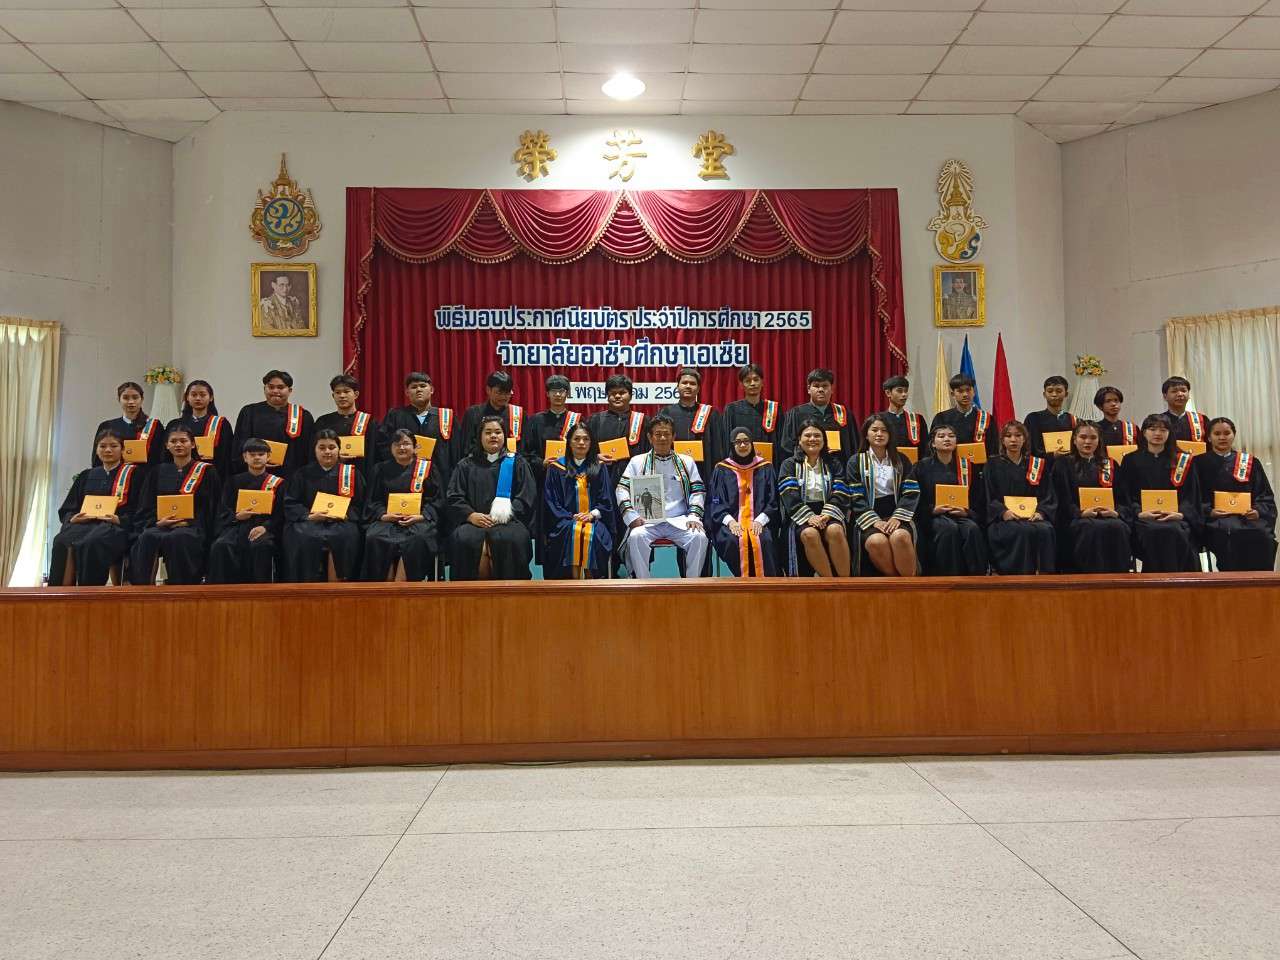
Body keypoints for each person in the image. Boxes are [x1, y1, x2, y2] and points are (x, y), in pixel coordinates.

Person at [616, 413, 708, 579]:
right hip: (648, 521)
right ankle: (643, 585)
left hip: (680, 520)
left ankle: (692, 585)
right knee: (636, 536)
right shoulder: (637, 461)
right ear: (650, 437)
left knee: (699, 537)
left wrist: (694, 516)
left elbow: (697, 490)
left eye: (667, 434)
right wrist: (632, 517)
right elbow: (622, 489)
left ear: (673, 436)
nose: (663, 438)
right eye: (658, 434)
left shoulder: (686, 461)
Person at [129, 424, 221, 585]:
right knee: (146, 537)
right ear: (167, 445)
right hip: (160, 524)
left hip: (192, 527)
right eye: (173, 441)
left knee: (179, 537)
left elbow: (211, 507)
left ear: (193, 444)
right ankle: (144, 589)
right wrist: (157, 522)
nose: (178, 445)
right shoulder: (157, 471)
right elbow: (146, 504)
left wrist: (190, 522)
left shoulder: (207, 471)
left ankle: (180, 588)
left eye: (183, 441)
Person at [447, 415, 536, 581]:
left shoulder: (517, 463)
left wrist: (503, 515)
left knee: (512, 540)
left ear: (505, 436)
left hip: (508, 522)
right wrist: (471, 515)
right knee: (464, 539)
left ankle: (509, 594)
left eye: (498, 432)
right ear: (480, 437)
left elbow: (526, 496)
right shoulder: (466, 465)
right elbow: (454, 496)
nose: (493, 436)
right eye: (488, 432)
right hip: (473, 522)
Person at [49, 430, 140, 586]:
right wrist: (73, 517)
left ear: (123, 449)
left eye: (113, 446)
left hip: (115, 527)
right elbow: (69, 507)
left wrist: (120, 519)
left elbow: (140, 508)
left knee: (93, 542)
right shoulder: (87, 475)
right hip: (85, 524)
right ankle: (60, 592)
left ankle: (89, 592)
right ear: (96, 450)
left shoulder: (135, 475)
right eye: (102, 446)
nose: (108, 450)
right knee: (61, 540)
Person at [1117, 414, 1201, 572]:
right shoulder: (1131, 460)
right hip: (1143, 518)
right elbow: (1125, 495)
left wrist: (1181, 513)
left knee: (1176, 530)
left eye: (1163, 430)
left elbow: (1191, 495)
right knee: (1154, 531)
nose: (1157, 433)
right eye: (1152, 429)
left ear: (1170, 433)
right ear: (1144, 432)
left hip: (1176, 517)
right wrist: (1138, 512)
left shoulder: (1182, 461)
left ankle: (1179, 580)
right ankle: (1153, 580)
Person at [282, 429, 366, 582]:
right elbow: (291, 502)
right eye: (322, 447)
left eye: (332, 447)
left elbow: (361, 503)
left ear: (339, 449)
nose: (327, 451)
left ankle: (339, 584)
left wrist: (347, 514)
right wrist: (309, 515)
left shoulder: (351, 474)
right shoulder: (302, 474)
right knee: (302, 536)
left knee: (345, 536)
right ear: (314, 450)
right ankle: (306, 585)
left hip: (342, 521)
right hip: (311, 520)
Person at [586, 374, 649, 576]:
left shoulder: (643, 421)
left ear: (630, 395)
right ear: (607, 396)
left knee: (636, 532)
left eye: (622, 393)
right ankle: (606, 575)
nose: (617, 397)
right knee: (606, 532)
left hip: (635, 488)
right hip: (605, 486)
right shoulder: (595, 421)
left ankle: (638, 575)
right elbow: (582, 451)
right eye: (613, 393)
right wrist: (595, 456)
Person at [361, 428, 441, 582]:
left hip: (418, 520)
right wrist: (383, 515)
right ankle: (383, 588)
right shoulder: (380, 469)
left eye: (406, 443)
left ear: (415, 447)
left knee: (418, 538)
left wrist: (421, 516)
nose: (402, 448)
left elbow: (437, 500)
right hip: (388, 521)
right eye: (397, 444)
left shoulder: (427, 469)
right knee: (374, 537)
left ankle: (402, 587)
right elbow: (373, 500)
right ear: (391, 448)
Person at [1198, 417, 1276, 571]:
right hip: (1215, 519)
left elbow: (1264, 495)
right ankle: (1232, 582)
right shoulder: (1198, 463)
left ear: (1234, 435)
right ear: (1209, 437)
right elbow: (1191, 496)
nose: (1222, 437)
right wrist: (1208, 511)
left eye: (1227, 433)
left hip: (1247, 517)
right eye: (1217, 434)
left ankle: (1260, 581)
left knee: (1263, 534)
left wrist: (1257, 511)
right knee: (1230, 533)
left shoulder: (1250, 462)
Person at [1052, 421, 1131, 574]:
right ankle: (1086, 578)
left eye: (1093, 438)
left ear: (1099, 440)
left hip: (1108, 516)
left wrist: (1116, 512)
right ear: (1074, 439)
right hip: (1076, 518)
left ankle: (1117, 578)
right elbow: (1061, 498)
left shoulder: (1110, 464)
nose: (1088, 441)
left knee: (1119, 527)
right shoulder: (1063, 464)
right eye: (1083, 437)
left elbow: (1122, 498)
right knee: (1090, 528)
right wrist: (1080, 513)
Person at [910, 424, 988, 576]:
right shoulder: (920, 467)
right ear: (933, 443)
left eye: (951, 436)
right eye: (941, 436)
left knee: (972, 529)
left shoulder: (968, 467)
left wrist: (967, 512)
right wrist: (932, 510)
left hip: (961, 515)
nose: (947, 439)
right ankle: (948, 578)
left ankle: (976, 578)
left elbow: (978, 498)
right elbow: (914, 498)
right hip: (933, 516)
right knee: (948, 529)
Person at [777, 418, 852, 577]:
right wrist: (810, 517)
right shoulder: (789, 464)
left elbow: (841, 490)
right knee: (809, 534)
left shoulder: (833, 463)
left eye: (817, 436)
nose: (812, 439)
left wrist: (827, 515)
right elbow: (788, 494)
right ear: (799, 440)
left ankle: (846, 582)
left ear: (824, 440)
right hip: (799, 515)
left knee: (835, 530)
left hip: (829, 512)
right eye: (808, 435)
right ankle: (830, 583)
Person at [542, 421, 617, 580]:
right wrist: (572, 518)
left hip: (595, 520)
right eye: (576, 439)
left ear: (591, 443)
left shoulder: (599, 467)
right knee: (573, 531)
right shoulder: (556, 468)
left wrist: (592, 515)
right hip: (564, 521)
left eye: (586, 439)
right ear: (569, 442)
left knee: (593, 534)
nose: (581, 443)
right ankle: (571, 586)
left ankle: (592, 586)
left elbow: (606, 501)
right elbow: (551, 502)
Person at [847, 415, 919, 577]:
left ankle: (911, 585)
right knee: (876, 541)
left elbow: (911, 491)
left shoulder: (901, 460)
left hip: (897, 513)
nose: (879, 434)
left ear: (890, 435)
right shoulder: (856, 461)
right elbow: (855, 495)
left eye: (884, 430)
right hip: (868, 514)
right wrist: (874, 520)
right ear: (866, 434)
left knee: (900, 536)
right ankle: (897, 584)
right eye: (874, 430)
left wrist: (897, 517)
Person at [206, 438, 286, 584]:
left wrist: (266, 527)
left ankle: (259, 591)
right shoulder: (233, 481)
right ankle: (223, 592)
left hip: (264, 528)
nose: (257, 458)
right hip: (236, 527)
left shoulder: (279, 484)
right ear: (245, 457)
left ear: (268, 456)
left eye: (261, 454)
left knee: (262, 546)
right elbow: (223, 509)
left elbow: (281, 514)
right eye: (252, 454)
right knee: (221, 545)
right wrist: (237, 516)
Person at [522, 375, 581, 570]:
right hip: (545, 484)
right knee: (547, 529)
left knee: (572, 524)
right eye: (554, 391)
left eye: (562, 391)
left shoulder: (577, 421)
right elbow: (526, 454)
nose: (558, 395)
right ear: (547, 394)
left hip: (572, 484)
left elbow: (585, 449)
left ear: (567, 394)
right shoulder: (536, 421)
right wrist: (542, 463)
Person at [983, 420, 1056, 575]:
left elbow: (1048, 494)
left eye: (1018, 435)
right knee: (1021, 531)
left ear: (1025, 439)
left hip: (1032, 517)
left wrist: (1041, 512)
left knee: (1046, 529)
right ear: (1002, 440)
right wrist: (1003, 512)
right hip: (1004, 519)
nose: (1013, 440)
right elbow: (988, 495)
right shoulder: (992, 464)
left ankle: (1045, 577)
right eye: (1008, 436)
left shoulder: (1037, 464)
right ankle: (1018, 577)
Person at [708, 426, 780, 577]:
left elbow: (773, 500)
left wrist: (760, 521)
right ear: (732, 445)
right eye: (738, 442)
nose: (742, 445)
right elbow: (716, 501)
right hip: (731, 522)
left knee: (765, 540)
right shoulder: (722, 469)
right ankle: (742, 584)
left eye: (746, 441)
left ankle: (765, 587)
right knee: (733, 541)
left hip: (760, 521)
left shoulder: (765, 467)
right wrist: (730, 522)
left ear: (752, 443)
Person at [378, 371, 458, 487]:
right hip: (403, 480)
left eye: (423, 386)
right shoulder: (395, 416)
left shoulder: (446, 417)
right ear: (407, 392)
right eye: (414, 387)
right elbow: (383, 445)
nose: (419, 390)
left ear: (431, 390)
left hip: (440, 481)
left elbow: (456, 451)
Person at [232, 369, 314, 479]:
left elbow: (308, 451)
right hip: (256, 474)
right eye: (271, 387)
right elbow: (239, 444)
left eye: (280, 387)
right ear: (264, 389)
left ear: (289, 390)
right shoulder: (249, 412)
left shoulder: (303, 416)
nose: (275, 391)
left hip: (291, 476)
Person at [313, 374, 379, 484]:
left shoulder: (369, 422)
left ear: (356, 394)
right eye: (338, 392)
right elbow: (314, 453)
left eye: (346, 391)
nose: (342, 396)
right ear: (333, 395)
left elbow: (375, 454)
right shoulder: (323, 422)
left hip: (361, 478)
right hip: (329, 479)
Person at [780, 368, 856, 461]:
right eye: (816, 386)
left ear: (832, 389)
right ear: (809, 389)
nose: (821, 390)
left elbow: (854, 445)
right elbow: (787, 447)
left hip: (838, 466)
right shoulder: (796, 414)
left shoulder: (843, 413)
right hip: (806, 466)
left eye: (825, 386)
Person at [166, 379, 234, 480]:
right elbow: (166, 454)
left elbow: (226, 455)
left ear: (211, 398)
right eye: (193, 395)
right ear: (187, 398)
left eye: (202, 395)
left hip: (211, 475)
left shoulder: (221, 424)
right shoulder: (175, 424)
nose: (198, 398)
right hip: (180, 475)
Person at [659, 367, 723, 470]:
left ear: (698, 388)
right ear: (677, 386)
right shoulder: (666, 413)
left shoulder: (711, 413)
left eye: (692, 384)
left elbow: (718, 447)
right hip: (673, 469)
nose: (688, 386)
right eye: (684, 383)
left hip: (703, 470)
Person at [91, 381, 165, 469]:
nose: (131, 401)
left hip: (147, 474)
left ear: (142, 399)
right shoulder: (107, 426)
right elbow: (98, 459)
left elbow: (161, 456)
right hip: (116, 475)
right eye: (125, 398)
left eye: (135, 397)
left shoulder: (155, 426)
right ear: (119, 399)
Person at [929, 373, 998, 464]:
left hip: (980, 469)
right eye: (960, 391)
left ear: (974, 392)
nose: (965, 394)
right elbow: (932, 448)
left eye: (968, 390)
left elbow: (993, 450)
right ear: (953, 394)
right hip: (949, 468)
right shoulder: (941, 418)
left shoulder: (987, 419)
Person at [459, 370, 524, 463]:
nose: (503, 397)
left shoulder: (517, 415)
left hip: (509, 466)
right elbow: (466, 447)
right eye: (499, 393)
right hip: (479, 465)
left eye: (507, 393)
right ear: (488, 390)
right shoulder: (473, 413)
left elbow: (524, 449)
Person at [721, 363, 781, 452]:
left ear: (762, 382)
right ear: (741, 385)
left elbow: (781, 440)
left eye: (756, 379)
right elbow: (726, 441)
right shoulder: (731, 409)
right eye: (748, 381)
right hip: (739, 459)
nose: (753, 384)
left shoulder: (773, 409)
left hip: (767, 459)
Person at [1024, 375, 1077, 458]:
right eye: (1050, 391)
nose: (1054, 394)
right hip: (1042, 464)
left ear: (1066, 394)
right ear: (1044, 394)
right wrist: (1052, 455)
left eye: (1059, 391)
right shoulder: (1033, 419)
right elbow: (1028, 448)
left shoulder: (1072, 420)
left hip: (1068, 464)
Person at [878, 375, 928, 462]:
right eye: (899, 391)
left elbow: (925, 448)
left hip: (913, 466)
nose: (904, 394)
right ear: (888, 393)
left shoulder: (917, 419)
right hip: (886, 465)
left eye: (906, 391)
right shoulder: (879, 419)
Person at [1159, 376, 1210, 448]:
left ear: (1189, 395)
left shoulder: (1201, 419)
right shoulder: (1158, 421)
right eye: (1174, 391)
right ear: (1165, 396)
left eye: (1183, 390)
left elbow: (1210, 446)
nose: (1180, 394)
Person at [1093, 385, 1139, 451]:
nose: (1113, 404)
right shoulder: (1095, 428)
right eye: (1108, 401)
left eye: (1116, 400)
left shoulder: (1131, 428)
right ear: (1100, 406)